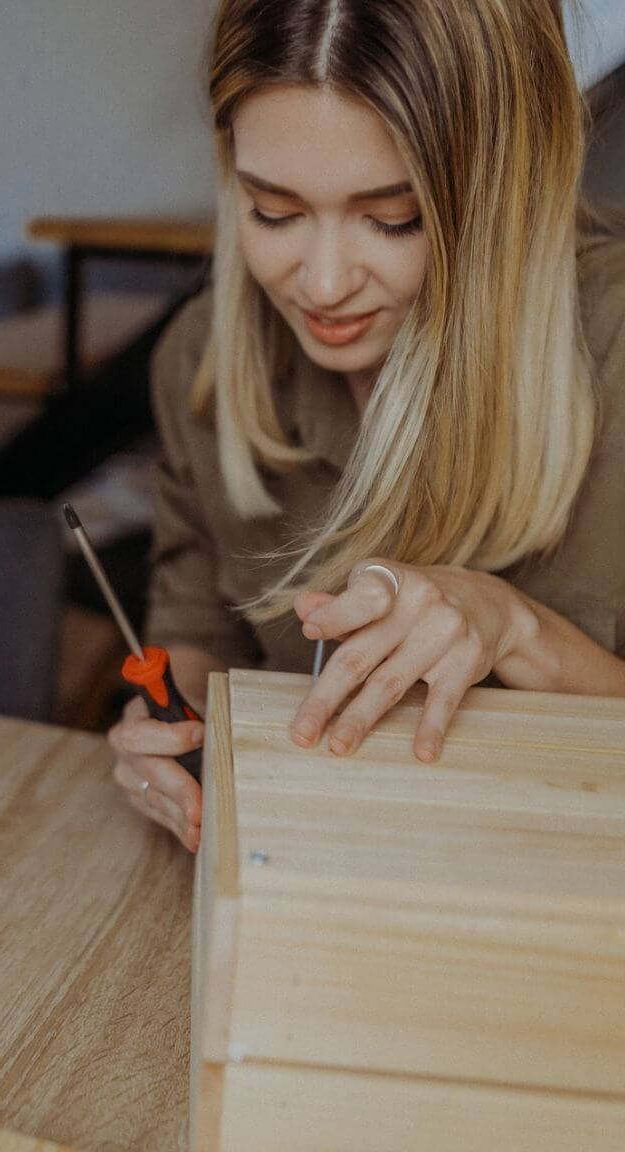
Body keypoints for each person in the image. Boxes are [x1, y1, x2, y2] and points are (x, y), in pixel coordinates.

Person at [109, 0, 625, 853]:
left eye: (394, 219)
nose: (321, 283)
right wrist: (164, 737)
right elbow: (192, 643)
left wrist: (519, 628)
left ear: (507, 191)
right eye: (273, 211)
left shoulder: (611, 342)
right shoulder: (201, 361)